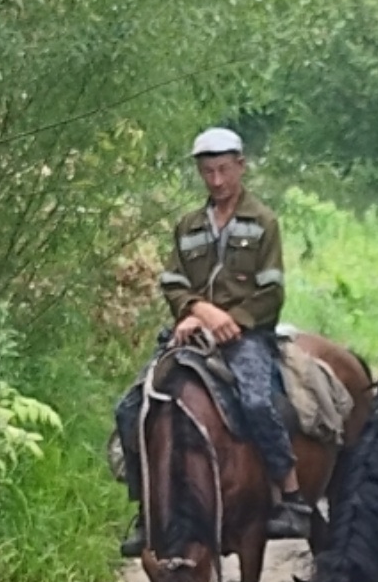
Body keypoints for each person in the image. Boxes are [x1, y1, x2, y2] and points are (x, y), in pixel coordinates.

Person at [117, 127, 311, 555]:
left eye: (224, 170)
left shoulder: (263, 222)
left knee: (259, 402)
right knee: (130, 408)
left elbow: (272, 291)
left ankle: (291, 495)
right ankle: (146, 509)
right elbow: (172, 282)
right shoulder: (187, 226)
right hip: (190, 332)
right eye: (208, 172)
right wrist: (195, 311)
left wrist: (231, 320)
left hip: (246, 335)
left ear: (240, 166)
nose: (217, 181)